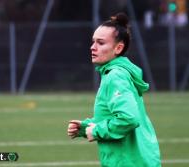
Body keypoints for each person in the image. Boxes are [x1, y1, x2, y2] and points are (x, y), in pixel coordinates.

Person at [67, 12, 161, 167]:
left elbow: (128, 118)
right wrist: (85, 128)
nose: (93, 47)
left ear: (118, 48)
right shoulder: (115, 73)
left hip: (129, 162)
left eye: (101, 43)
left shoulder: (115, 76)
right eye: (93, 42)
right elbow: (114, 116)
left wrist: (96, 131)